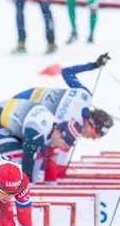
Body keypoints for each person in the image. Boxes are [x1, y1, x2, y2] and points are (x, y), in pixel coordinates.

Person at [13, 54, 113, 182]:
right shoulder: (71, 128)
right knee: (34, 151)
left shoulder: (85, 95)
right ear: (91, 124)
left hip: (27, 97)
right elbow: (49, 155)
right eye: (93, 135)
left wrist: (93, 65)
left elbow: (67, 72)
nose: (91, 139)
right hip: (21, 112)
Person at [0, 98, 81, 183]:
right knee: (18, 157)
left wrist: (49, 183)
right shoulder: (38, 132)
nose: (63, 147)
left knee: (30, 157)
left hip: (3, 117)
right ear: (58, 134)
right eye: (64, 143)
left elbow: (46, 159)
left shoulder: (54, 126)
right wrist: (29, 185)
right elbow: (28, 161)